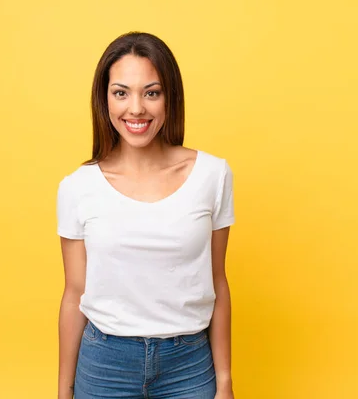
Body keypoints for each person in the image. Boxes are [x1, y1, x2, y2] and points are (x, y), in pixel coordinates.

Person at [56, 31, 235, 399]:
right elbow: (74, 294)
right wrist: (64, 391)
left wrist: (225, 381)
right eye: (121, 92)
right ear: (104, 99)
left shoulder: (212, 175)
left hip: (188, 364)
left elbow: (218, 282)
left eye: (151, 92)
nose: (136, 108)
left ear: (170, 97)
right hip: (104, 364)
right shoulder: (77, 187)